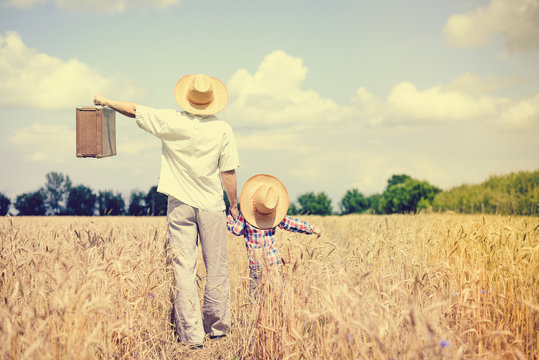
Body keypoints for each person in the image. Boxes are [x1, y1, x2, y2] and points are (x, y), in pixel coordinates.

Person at [94, 74, 240, 349]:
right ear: (212, 102)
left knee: (183, 269)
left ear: (187, 99)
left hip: (179, 205)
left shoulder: (171, 120)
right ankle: (218, 330)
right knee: (217, 266)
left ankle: (191, 336)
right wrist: (233, 205)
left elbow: (135, 110)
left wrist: (105, 101)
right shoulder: (223, 130)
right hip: (211, 205)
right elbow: (228, 172)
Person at [226, 174, 321, 299]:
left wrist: (229, 218)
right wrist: (312, 229)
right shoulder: (274, 218)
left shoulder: (245, 217)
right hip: (275, 263)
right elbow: (293, 224)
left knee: (255, 300)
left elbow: (237, 230)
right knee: (278, 296)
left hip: (257, 266)